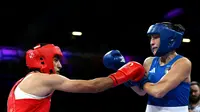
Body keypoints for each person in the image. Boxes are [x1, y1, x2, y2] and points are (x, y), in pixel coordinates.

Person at [7, 43, 145, 112]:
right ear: (43, 59)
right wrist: (123, 73)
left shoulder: (23, 81)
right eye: (56, 60)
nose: (60, 65)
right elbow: (93, 86)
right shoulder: (44, 79)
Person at [103, 22, 192, 112]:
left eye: (156, 37)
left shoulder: (183, 63)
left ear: (170, 39)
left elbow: (158, 91)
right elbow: (141, 91)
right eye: (151, 38)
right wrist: (125, 71)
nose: (151, 42)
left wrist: (141, 80)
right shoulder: (149, 61)